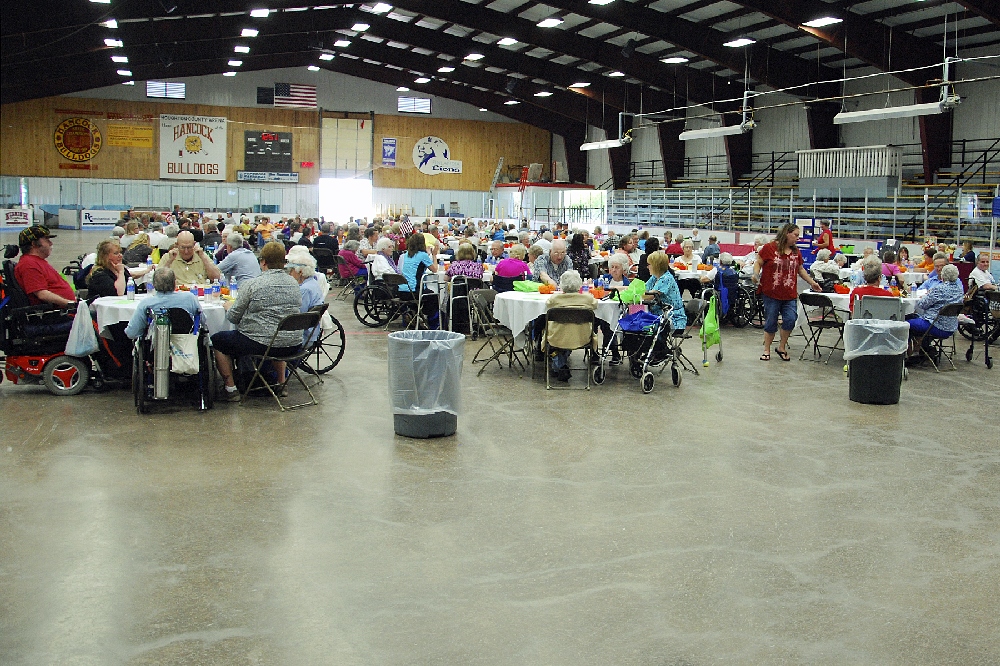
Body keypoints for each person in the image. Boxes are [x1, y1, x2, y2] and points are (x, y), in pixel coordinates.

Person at [212, 242, 303, 401]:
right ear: (284, 262)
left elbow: (233, 317)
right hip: (293, 344)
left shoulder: (252, 284)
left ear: (262, 262)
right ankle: (281, 383)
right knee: (278, 333)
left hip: (262, 344)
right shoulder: (294, 284)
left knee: (218, 341)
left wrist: (229, 307)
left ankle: (231, 388)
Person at [753, 223, 822, 361]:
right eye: (795, 235)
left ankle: (781, 347)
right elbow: (758, 262)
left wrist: (812, 282)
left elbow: (800, 270)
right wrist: (755, 274)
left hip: (789, 293)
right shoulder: (769, 248)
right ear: (786, 233)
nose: (797, 238)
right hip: (771, 292)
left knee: (791, 319)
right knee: (771, 321)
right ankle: (766, 349)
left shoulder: (796, 252)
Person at [544, 270, 597, 382]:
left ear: (562, 285)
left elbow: (547, 304)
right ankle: (560, 365)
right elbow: (595, 304)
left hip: (558, 337)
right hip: (581, 337)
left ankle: (559, 366)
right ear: (580, 284)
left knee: (555, 340)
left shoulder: (555, 299)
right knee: (570, 336)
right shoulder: (587, 299)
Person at [906, 263, 964, 365]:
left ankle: (911, 354)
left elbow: (922, 305)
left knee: (906, 323)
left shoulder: (940, 289)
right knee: (915, 319)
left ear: (943, 276)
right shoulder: (959, 289)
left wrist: (927, 295)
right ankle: (924, 349)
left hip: (936, 325)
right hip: (951, 326)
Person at [124, 267, 201, 340]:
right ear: (175, 283)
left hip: (155, 347)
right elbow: (202, 321)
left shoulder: (146, 303)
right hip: (186, 346)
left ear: (153, 284)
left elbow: (132, 333)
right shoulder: (189, 298)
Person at [13, 226, 76, 307]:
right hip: (59, 314)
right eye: (47, 240)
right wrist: (69, 303)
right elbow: (42, 294)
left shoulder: (37, 261)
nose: (51, 243)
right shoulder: (29, 265)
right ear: (33, 244)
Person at [286, 246, 325, 346]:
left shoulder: (305, 290)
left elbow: (298, 315)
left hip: (303, 337)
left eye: (291, 270)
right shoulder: (313, 283)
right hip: (311, 333)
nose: (289, 273)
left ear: (300, 272)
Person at [644, 251, 687, 333]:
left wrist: (632, 295)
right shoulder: (655, 277)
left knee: (643, 327)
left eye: (649, 264)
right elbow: (642, 289)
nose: (647, 267)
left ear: (656, 266)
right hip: (660, 315)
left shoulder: (666, 278)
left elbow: (650, 295)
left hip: (673, 318)